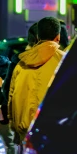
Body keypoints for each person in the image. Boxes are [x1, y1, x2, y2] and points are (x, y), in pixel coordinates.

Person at [8, 16, 64, 145]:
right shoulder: (65, 62)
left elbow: (12, 98)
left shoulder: (21, 64)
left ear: (38, 36)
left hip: (24, 131)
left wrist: (14, 128)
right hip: (52, 133)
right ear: (58, 36)